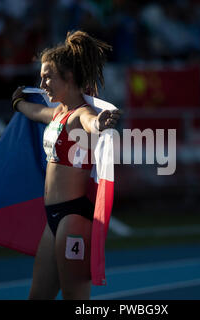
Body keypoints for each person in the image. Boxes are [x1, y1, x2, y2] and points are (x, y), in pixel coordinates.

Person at [11, 30, 121, 300]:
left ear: (68, 77)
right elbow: (37, 112)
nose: (42, 82)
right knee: (38, 296)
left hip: (74, 217)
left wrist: (100, 124)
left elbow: (91, 123)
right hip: (53, 219)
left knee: (76, 299)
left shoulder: (80, 114)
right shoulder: (60, 113)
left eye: (47, 76)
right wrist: (18, 103)